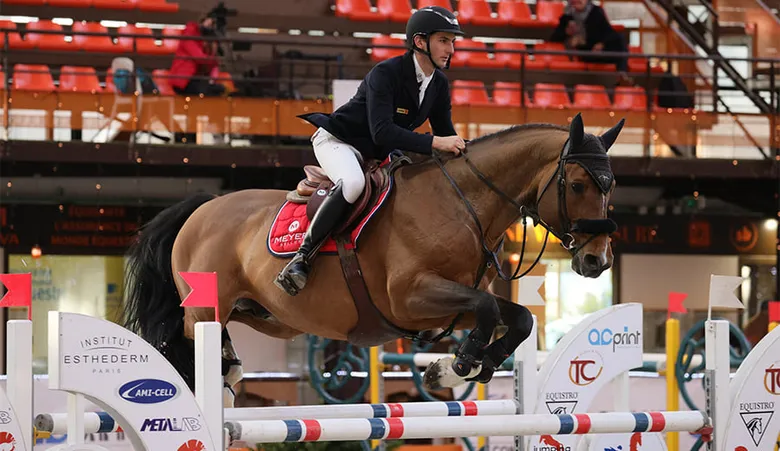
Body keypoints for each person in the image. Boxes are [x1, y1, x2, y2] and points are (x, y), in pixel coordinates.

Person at [274, 5, 467, 296]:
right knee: (353, 183)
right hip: (339, 140)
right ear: (419, 42)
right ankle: (302, 258)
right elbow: (383, 130)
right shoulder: (386, 73)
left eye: (453, 41)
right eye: (443, 40)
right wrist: (435, 143)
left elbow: (445, 133)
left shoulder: (438, 84)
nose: (450, 48)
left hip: (377, 152)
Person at [550, 0, 630, 78]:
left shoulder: (596, 11)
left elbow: (610, 33)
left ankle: (622, 76)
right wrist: (566, 32)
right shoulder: (567, 16)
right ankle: (622, 76)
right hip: (585, 53)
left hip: (600, 50)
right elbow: (553, 38)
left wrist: (602, 44)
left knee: (620, 39)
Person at [169, 14, 225, 97]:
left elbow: (209, 68)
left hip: (195, 79)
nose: (211, 26)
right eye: (210, 23)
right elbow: (199, 58)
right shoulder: (189, 35)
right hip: (183, 81)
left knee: (220, 89)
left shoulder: (205, 42)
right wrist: (215, 61)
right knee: (207, 92)